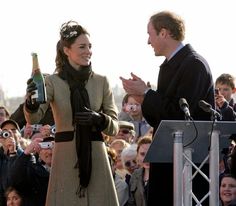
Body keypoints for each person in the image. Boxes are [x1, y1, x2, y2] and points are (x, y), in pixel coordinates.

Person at [120, 11, 215, 205]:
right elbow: (160, 118)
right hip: (168, 160)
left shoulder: (193, 65)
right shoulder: (169, 66)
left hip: (189, 164)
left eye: (150, 34)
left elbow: (180, 116)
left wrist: (147, 94)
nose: (148, 41)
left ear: (164, 33)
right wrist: (143, 97)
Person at [23, 21, 119, 206]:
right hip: (65, 159)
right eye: (82, 46)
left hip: (97, 158)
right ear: (67, 50)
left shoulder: (101, 81)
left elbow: (114, 127)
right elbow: (34, 117)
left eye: (90, 46)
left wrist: (99, 119)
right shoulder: (52, 82)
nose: (88, 51)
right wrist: (31, 102)